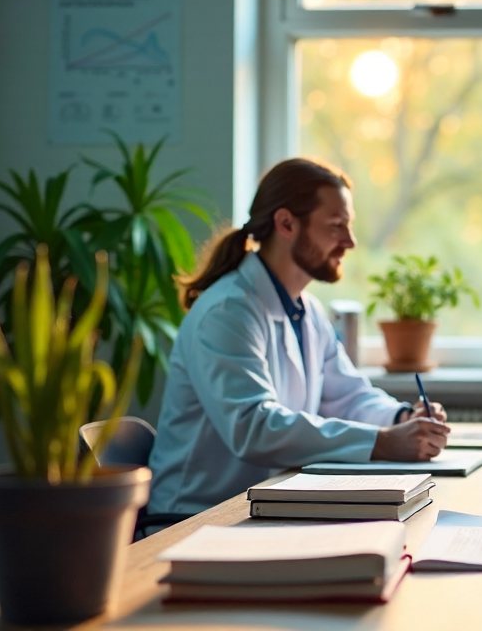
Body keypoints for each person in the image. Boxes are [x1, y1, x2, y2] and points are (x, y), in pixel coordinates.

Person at [148, 159, 450, 516]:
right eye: (336, 226)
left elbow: (347, 396)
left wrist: (400, 419)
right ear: (286, 223)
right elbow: (254, 427)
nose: (349, 242)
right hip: (197, 517)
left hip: (268, 504)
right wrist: (382, 443)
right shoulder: (228, 311)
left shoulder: (305, 309)